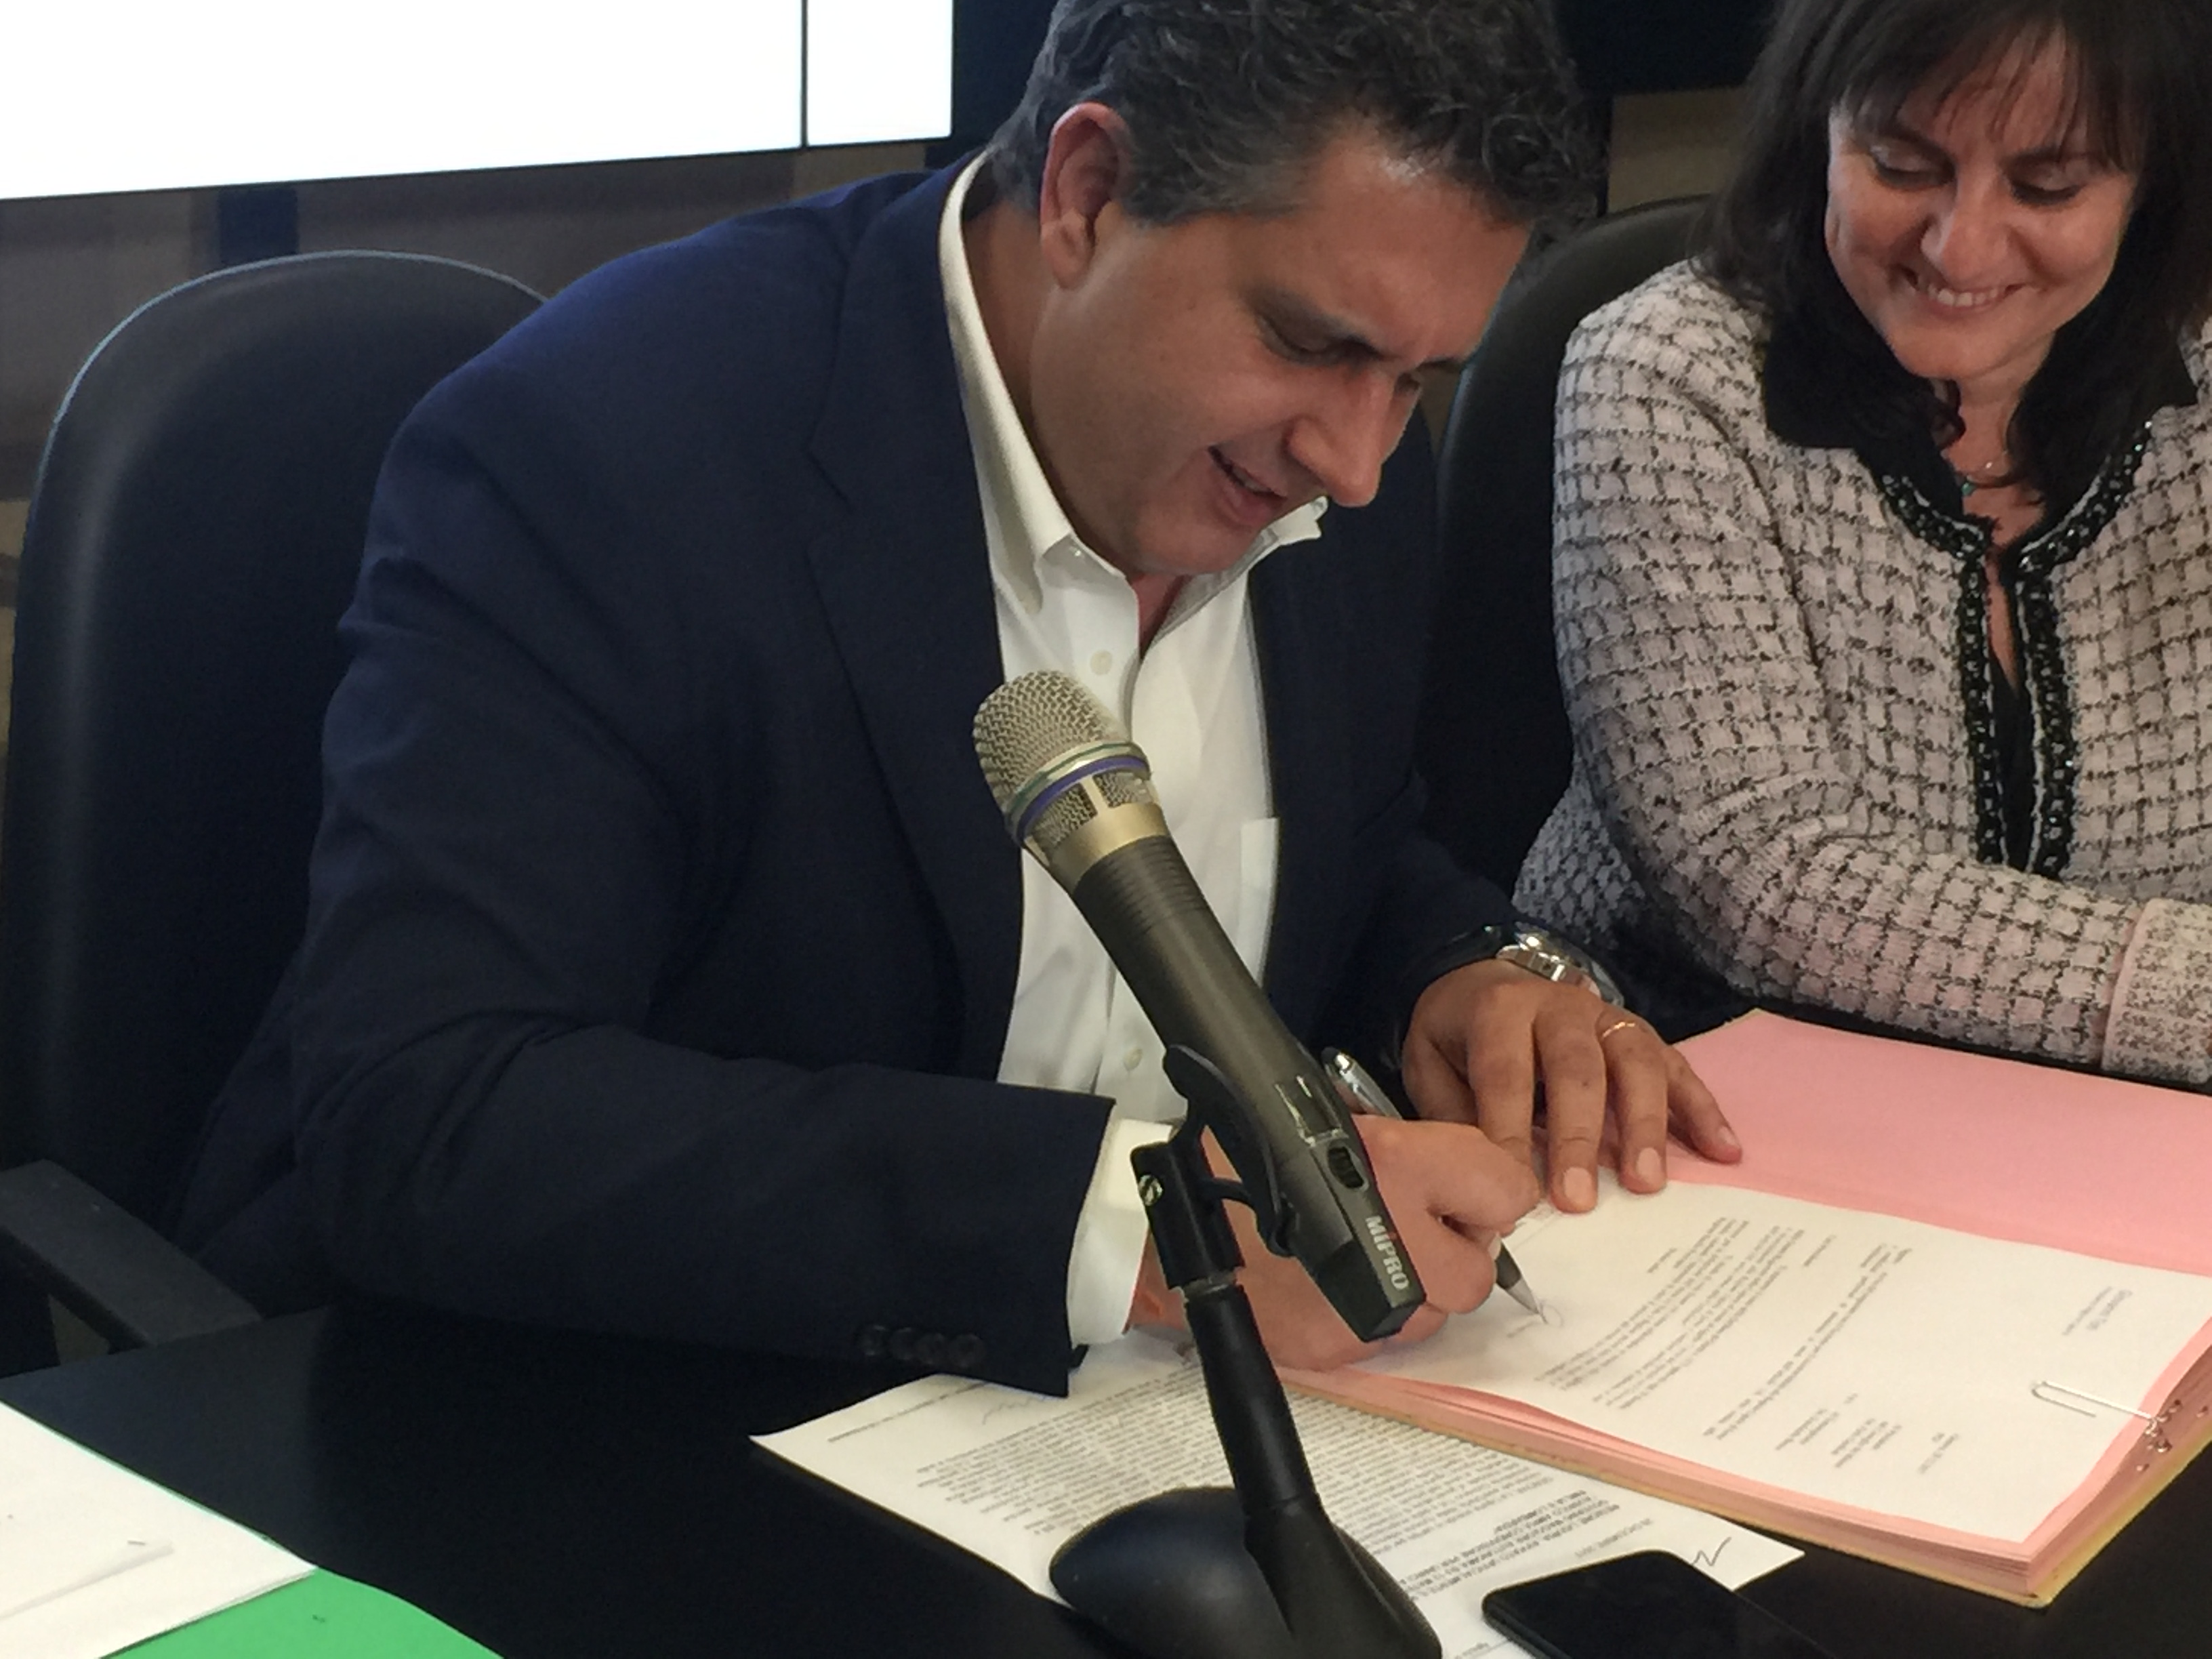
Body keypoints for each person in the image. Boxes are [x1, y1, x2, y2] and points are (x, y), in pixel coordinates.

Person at [178, 0, 1736, 1397]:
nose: (1359, 459)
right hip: (610, 1411)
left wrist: (1462, 975)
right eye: (1309, 343)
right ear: (1086, 193)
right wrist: (1142, 1231)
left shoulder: (1334, 468)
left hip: (1141, 1430)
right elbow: (431, 1111)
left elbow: (1331, 847)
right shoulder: (606, 454)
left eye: (1416, 381)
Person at [1518, 0, 2212, 1085]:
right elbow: (1757, 873)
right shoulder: (1668, 372)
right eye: (1901, 165)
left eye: (2047, 187)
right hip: (1696, 1077)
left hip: (2131, 1117)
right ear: (1820, 133)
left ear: (2152, 183)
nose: (1960, 244)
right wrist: (2176, 990)